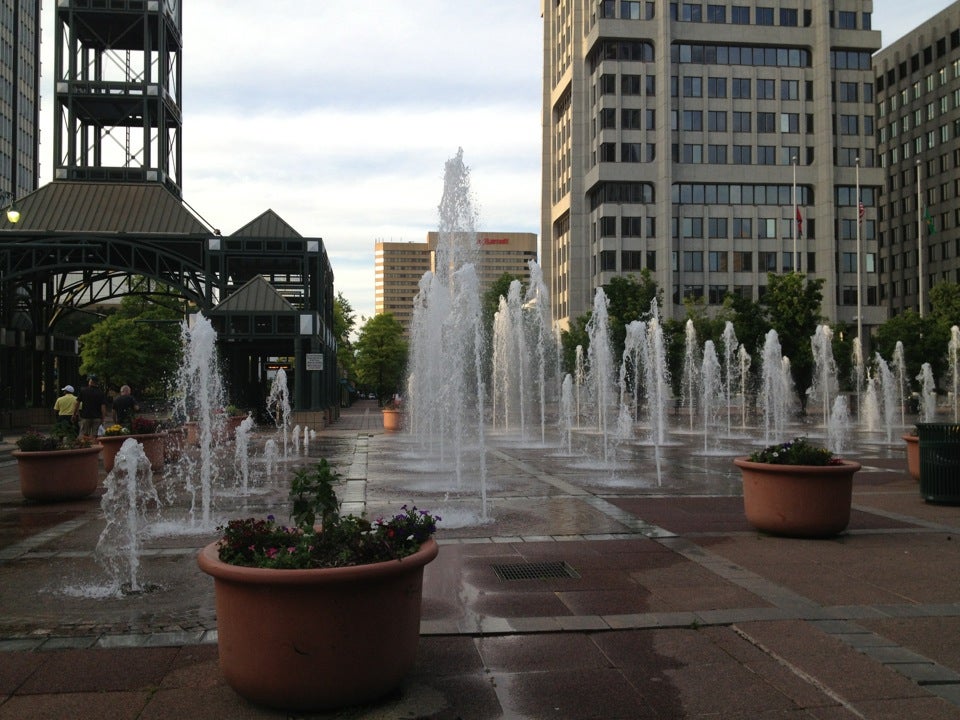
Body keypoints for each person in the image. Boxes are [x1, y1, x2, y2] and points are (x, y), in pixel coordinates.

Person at [74, 374, 108, 439]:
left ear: (91, 381)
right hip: (97, 417)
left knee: (85, 434)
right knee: (95, 435)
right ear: (97, 382)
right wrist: (103, 418)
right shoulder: (101, 393)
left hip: (85, 416)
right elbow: (103, 407)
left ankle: (87, 446)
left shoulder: (83, 391)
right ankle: (94, 446)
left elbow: (77, 403)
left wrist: (74, 413)